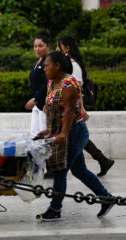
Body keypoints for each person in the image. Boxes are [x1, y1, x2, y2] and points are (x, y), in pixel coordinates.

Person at [35, 52, 114, 221]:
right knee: (80, 171)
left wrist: (63, 133)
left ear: (57, 66)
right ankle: (106, 198)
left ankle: (55, 209)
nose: (44, 69)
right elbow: (54, 110)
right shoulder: (52, 82)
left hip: (75, 133)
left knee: (60, 170)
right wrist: (48, 131)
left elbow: (70, 111)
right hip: (62, 132)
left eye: (47, 65)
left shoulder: (69, 83)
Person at [56, 34, 114, 177]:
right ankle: (102, 160)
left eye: (59, 46)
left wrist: (81, 109)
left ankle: (99, 160)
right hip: (69, 107)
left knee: (74, 134)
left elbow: (77, 88)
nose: (56, 49)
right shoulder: (68, 64)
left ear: (67, 48)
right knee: (75, 135)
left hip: (73, 107)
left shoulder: (73, 66)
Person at [25, 31, 51, 139]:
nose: (37, 49)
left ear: (48, 46)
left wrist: (35, 99)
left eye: (40, 46)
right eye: (35, 46)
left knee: (43, 136)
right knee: (34, 136)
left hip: (44, 105)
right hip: (37, 105)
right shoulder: (39, 62)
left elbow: (47, 84)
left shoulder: (48, 62)